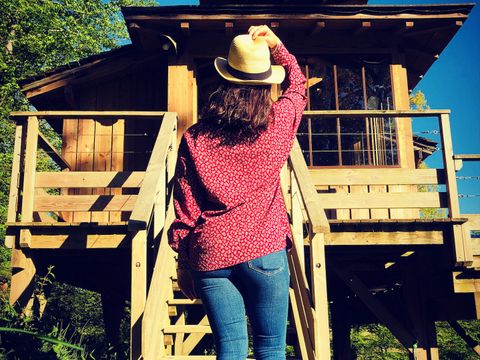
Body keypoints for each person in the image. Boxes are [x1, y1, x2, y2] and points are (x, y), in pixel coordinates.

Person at [167, 24, 307, 360]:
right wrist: (278, 46)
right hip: (264, 250)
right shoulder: (279, 121)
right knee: (271, 348)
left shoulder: (195, 138)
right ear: (264, 84)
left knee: (229, 350)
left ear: (224, 79)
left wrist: (184, 264)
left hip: (211, 253)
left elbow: (186, 207)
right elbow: (298, 85)